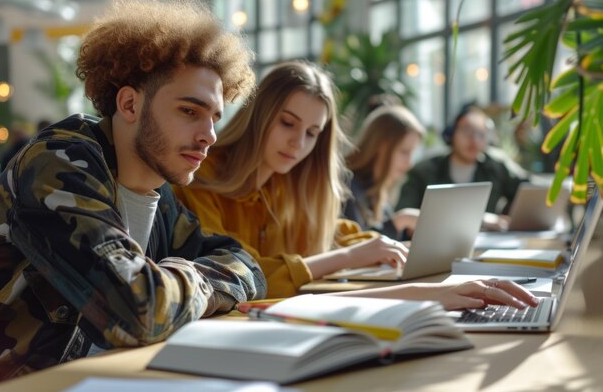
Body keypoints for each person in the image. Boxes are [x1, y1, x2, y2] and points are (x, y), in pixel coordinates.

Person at [0, 0, 266, 386]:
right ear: (129, 104)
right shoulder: (60, 163)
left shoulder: (157, 193)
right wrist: (199, 280)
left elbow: (243, 263)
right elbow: (136, 310)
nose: (209, 136)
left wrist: (182, 278)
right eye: (189, 111)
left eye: (215, 117)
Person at [173, 61, 539, 312]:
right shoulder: (200, 173)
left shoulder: (291, 181)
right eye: (287, 123)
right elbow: (240, 276)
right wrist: (350, 257)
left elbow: (338, 231)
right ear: (260, 115)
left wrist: (384, 246)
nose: (298, 144)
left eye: (312, 133)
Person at [396, 103, 529, 230]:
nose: (474, 140)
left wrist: (508, 216)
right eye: (467, 132)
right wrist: (482, 219)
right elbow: (403, 220)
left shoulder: (496, 165)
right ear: (451, 134)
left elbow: (527, 190)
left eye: (481, 134)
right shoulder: (423, 171)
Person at [344, 104, 425, 239]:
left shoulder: (377, 192)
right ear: (380, 147)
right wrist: (399, 222)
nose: (409, 163)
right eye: (405, 152)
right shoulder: (346, 188)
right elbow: (356, 250)